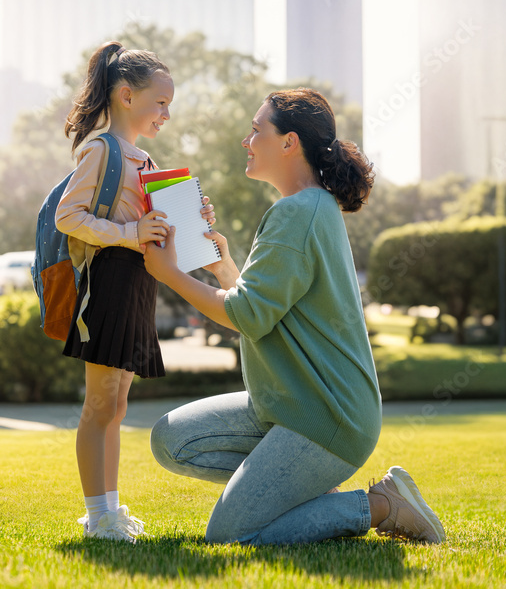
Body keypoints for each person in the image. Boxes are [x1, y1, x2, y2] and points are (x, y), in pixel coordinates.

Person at [143, 88, 445, 545]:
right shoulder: (308, 206)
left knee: (233, 534)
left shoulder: (297, 212)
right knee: (172, 439)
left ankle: (382, 503)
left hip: (325, 415)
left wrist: (169, 274)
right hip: (283, 405)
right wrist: (223, 265)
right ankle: (310, 494)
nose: (247, 140)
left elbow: (246, 314)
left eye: (256, 130)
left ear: (289, 143)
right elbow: (266, 303)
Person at [55, 41, 217, 542]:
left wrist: (194, 221)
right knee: (100, 401)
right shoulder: (102, 150)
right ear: (126, 95)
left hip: (140, 282)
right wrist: (130, 233)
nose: (166, 113)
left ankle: (110, 510)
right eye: (161, 103)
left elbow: (155, 227)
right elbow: (69, 215)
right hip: (110, 281)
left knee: (118, 403)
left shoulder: (146, 159)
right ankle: (97, 516)